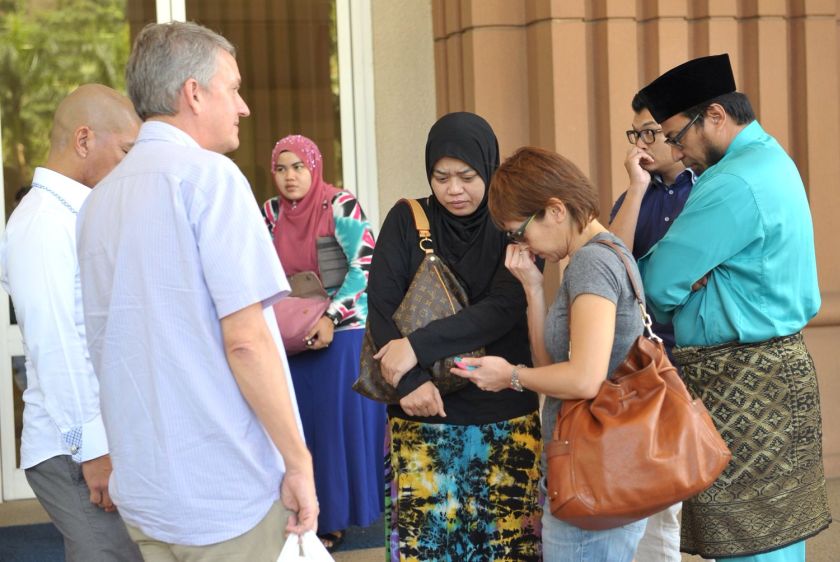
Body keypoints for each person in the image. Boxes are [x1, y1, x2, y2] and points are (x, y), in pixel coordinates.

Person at [76, 21, 318, 560]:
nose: (243, 106)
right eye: (232, 88)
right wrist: (299, 462)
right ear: (193, 93)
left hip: (146, 492)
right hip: (226, 491)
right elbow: (247, 341)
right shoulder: (212, 178)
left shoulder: (97, 203)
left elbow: (101, 342)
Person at [636, 53, 831, 561]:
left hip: (743, 379)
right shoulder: (772, 159)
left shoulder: (730, 183)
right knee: (775, 539)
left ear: (716, 116)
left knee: (753, 543)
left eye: (677, 136)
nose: (676, 153)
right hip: (771, 373)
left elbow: (656, 285)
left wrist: (692, 274)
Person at [455, 146, 649, 561]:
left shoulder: (591, 263)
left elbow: (584, 379)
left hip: (593, 473)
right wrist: (531, 286)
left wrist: (510, 376)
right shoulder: (598, 253)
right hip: (599, 468)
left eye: (519, 231)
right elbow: (553, 366)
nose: (521, 243)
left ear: (555, 209)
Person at [366, 112, 542, 561]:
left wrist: (416, 347)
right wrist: (409, 382)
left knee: (505, 550)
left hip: (501, 414)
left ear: (489, 168)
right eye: (441, 177)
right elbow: (381, 310)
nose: (454, 189)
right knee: (426, 549)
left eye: (467, 176)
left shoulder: (514, 223)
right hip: (422, 412)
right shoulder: (407, 220)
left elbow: (503, 308)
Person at [0, 84, 142, 562]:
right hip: (73, 450)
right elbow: (58, 346)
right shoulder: (41, 225)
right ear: (84, 140)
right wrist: (94, 453)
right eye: (126, 150)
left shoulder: (74, 214)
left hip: (96, 441)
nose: (131, 164)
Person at [262, 134, 384, 551]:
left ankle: (331, 519)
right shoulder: (271, 214)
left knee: (332, 428)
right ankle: (299, 510)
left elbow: (365, 266)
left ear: (314, 167)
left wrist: (330, 316)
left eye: (298, 167)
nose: (290, 177)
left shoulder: (340, 205)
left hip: (341, 332)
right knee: (298, 426)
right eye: (281, 168)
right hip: (291, 334)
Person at [609, 94, 696, 562]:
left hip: (701, 352)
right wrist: (637, 186)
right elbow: (613, 260)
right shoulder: (633, 195)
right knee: (659, 495)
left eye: (650, 132)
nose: (641, 142)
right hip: (648, 361)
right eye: (636, 133)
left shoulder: (707, 187)